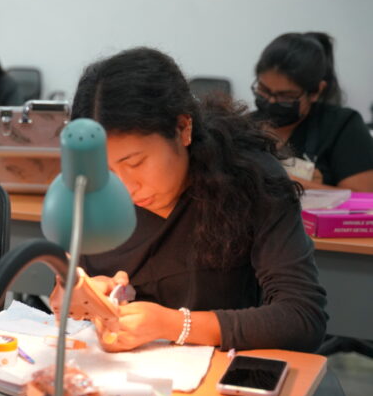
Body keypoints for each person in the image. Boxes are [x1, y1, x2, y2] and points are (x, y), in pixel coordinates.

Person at [51, 47, 327, 353]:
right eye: (105, 169)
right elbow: (73, 285)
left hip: (221, 380)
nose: (125, 187)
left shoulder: (249, 179)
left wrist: (173, 324)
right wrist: (75, 297)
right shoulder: (91, 194)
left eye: (135, 163)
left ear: (183, 128)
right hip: (119, 382)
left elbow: (302, 318)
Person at [252, 32, 373, 192]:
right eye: (264, 90)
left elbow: (362, 200)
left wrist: (285, 181)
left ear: (316, 91)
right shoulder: (242, 127)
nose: (272, 101)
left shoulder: (342, 126)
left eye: (286, 96)